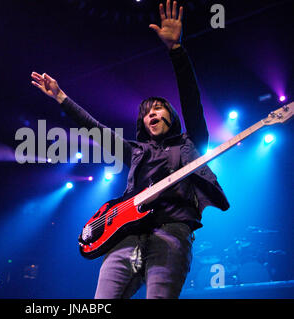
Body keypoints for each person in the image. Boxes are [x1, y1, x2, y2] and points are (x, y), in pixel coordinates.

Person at [30, 0, 229, 299]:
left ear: (171, 117)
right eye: (147, 112)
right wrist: (61, 98)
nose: (153, 114)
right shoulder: (135, 151)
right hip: (126, 237)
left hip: (171, 233)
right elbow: (94, 129)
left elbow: (191, 99)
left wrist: (176, 51)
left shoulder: (191, 143)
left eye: (160, 109)